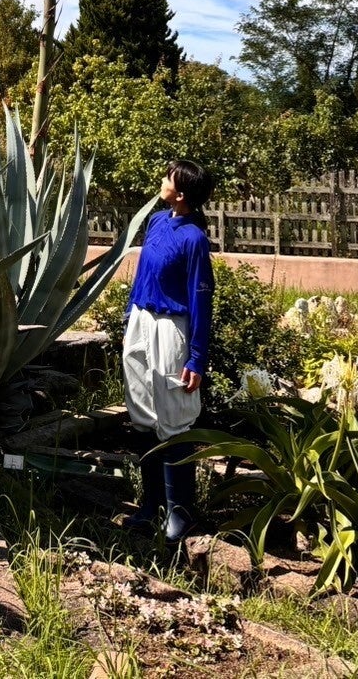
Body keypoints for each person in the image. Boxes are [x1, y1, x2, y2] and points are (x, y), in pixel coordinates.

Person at [122, 158, 214, 543]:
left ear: (182, 192)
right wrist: (130, 314)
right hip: (142, 321)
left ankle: (180, 511)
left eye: (168, 178)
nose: (162, 180)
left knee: (174, 414)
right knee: (143, 411)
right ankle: (151, 505)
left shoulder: (195, 239)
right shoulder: (158, 221)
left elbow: (201, 298)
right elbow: (142, 272)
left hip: (171, 329)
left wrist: (197, 356)